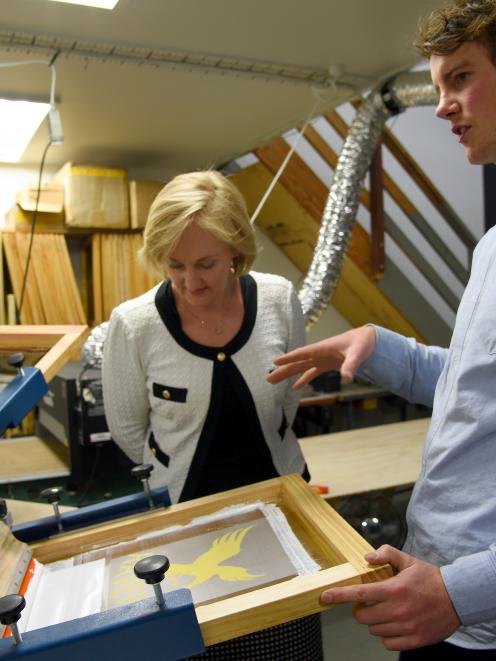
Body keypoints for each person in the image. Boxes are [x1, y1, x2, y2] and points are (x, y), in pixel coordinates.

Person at [267, 1, 496, 658]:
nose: (442, 104)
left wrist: (465, 590)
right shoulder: (491, 248)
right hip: (435, 583)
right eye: (437, 83)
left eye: (460, 78)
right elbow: (474, 384)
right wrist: (382, 347)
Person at [102, 170, 323, 660]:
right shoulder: (134, 325)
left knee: (286, 643)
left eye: (206, 263)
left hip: (281, 510)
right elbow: (128, 428)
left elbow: (287, 399)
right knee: (204, 644)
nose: (188, 281)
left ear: (236, 250)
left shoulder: (277, 299)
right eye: (172, 264)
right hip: (185, 525)